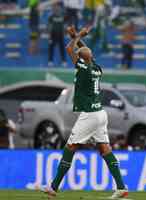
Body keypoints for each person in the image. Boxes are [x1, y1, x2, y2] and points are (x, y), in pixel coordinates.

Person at [39, 25, 128, 199]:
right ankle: (121, 187)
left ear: (80, 59)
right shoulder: (96, 68)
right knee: (105, 149)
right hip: (100, 113)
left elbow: (69, 49)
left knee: (70, 147)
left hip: (89, 115)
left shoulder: (84, 70)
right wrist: (77, 37)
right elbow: (83, 51)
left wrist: (78, 35)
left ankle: (54, 187)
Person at [47, 3, 66, 67]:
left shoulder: (63, 16)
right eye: (55, 7)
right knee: (51, 48)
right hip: (53, 34)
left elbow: (64, 26)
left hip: (60, 34)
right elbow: (49, 26)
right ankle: (50, 61)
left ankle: (63, 61)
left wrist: (64, 33)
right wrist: (49, 35)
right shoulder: (51, 16)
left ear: (60, 8)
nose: (57, 9)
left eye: (58, 8)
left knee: (62, 48)